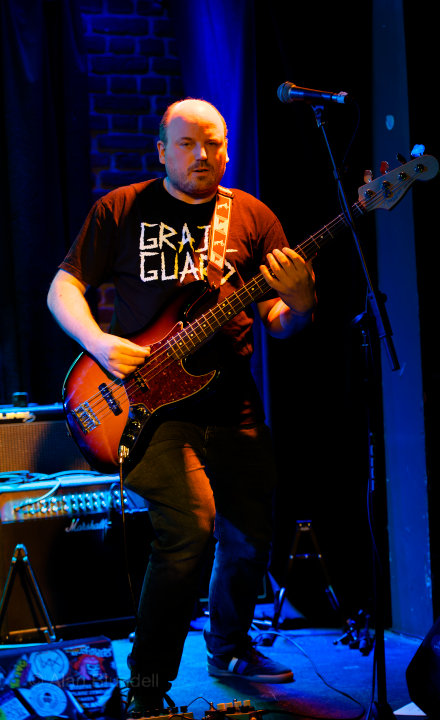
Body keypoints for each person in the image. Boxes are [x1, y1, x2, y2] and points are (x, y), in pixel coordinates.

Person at [48, 99, 316, 712]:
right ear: (162, 150)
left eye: (213, 144)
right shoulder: (121, 208)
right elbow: (63, 287)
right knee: (190, 527)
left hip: (233, 401)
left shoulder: (251, 217)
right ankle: (147, 686)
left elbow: (278, 320)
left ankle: (229, 645)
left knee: (250, 534)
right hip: (146, 406)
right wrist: (99, 343)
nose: (202, 155)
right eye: (188, 144)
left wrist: (301, 304)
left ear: (226, 149)